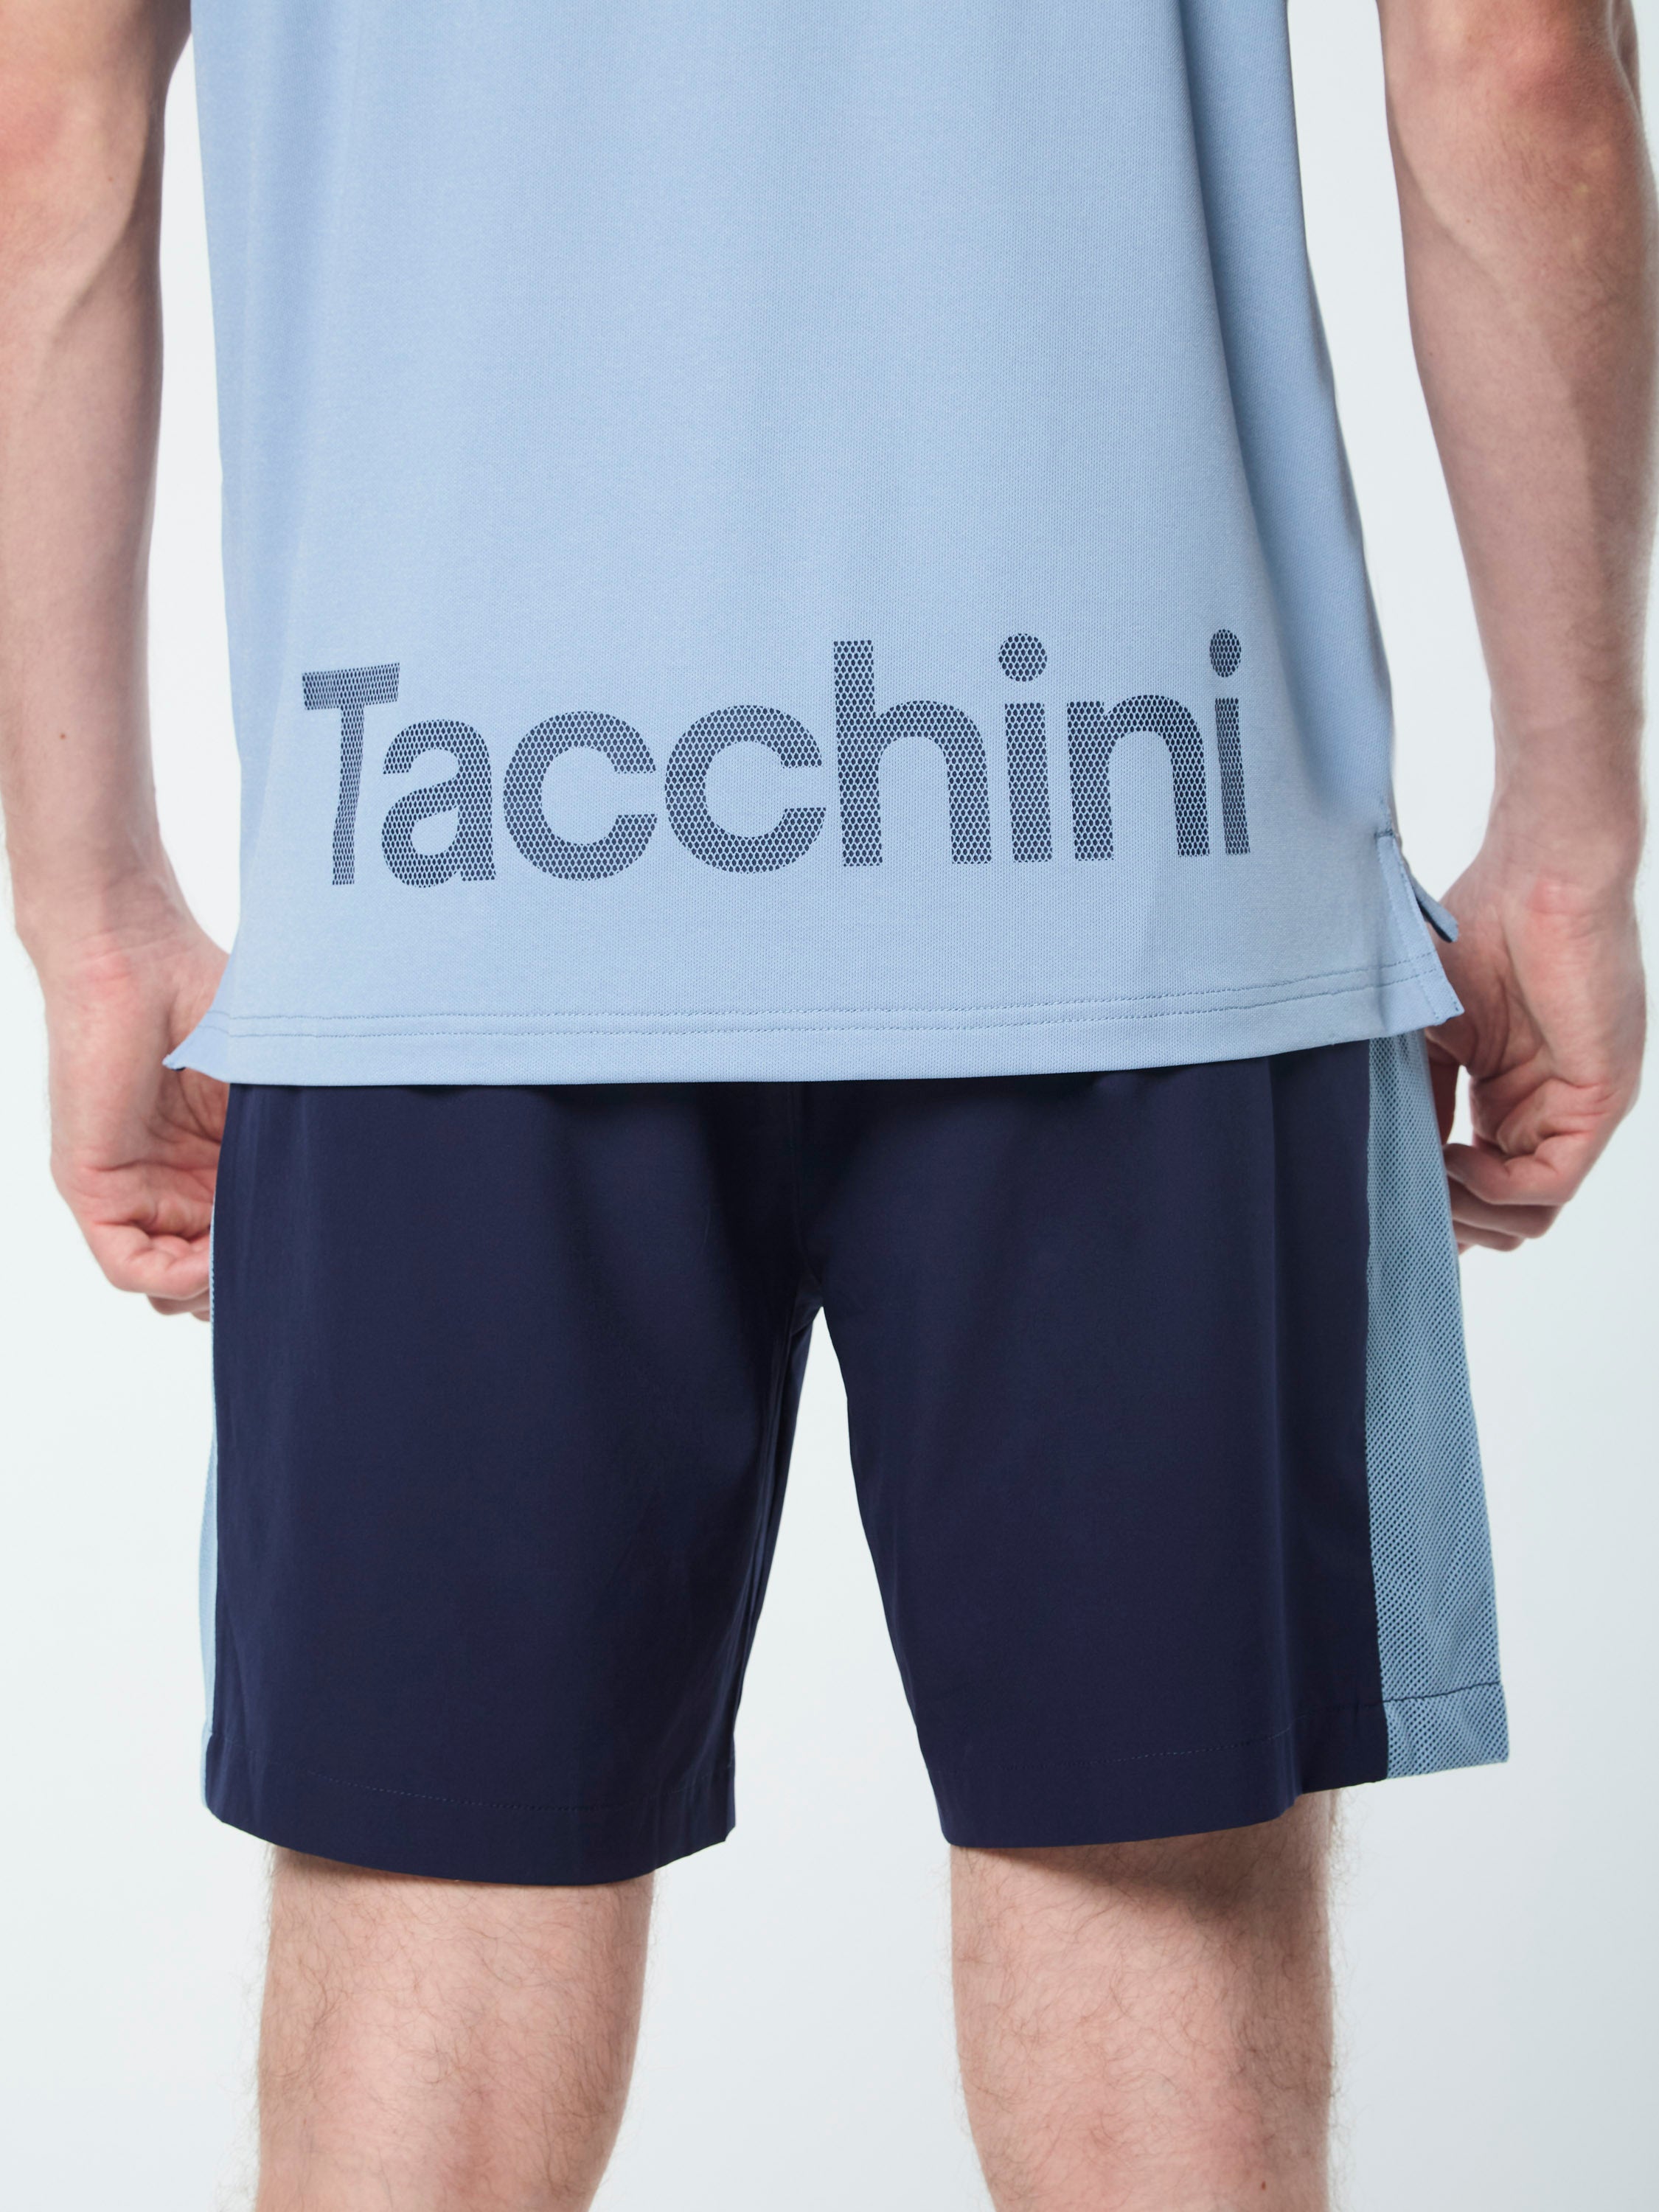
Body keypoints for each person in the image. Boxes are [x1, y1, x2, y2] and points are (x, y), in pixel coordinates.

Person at [1, 0, 1650, 2203]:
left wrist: (89, 905)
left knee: (436, 1915)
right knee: (1148, 1906)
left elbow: (43, 125)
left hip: (457, 851)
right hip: (1124, 820)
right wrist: (1572, 824)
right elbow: (1512, 61)